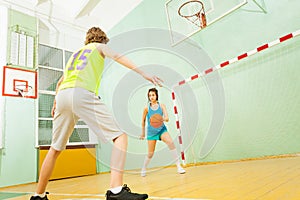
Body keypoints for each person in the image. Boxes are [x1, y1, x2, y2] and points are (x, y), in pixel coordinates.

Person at [30, 27, 163, 200]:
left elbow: (60, 82)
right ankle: (116, 191)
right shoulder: (98, 47)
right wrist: (144, 73)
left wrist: (56, 102)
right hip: (81, 93)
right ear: (101, 39)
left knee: (54, 149)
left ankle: (38, 195)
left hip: (63, 95)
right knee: (120, 136)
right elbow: (118, 57)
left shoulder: (74, 55)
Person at [140, 88, 185, 177]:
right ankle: (144, 168)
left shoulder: (162, 106)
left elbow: (167, 118)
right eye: (149, 95)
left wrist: (160, 118)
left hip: (162, 130)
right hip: (151, 133)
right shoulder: (146, 108)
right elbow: (143, 121)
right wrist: (143, 133)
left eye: (153, 95)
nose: (151, 97)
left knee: (171, 143)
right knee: (150, 153)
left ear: (156, 96)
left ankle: (179, 167)